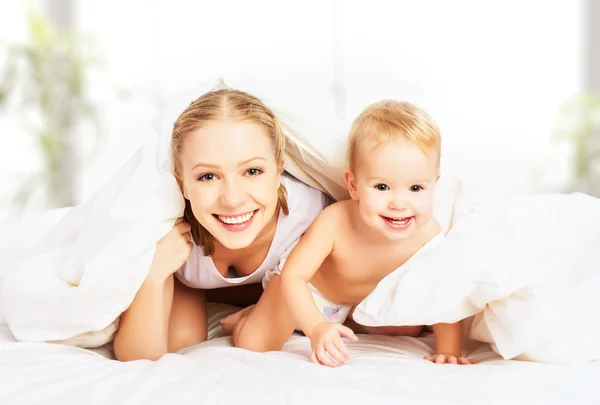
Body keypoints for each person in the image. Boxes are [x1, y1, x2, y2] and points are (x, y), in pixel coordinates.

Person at [113, 89, 330, 361]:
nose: (233, 199)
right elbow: (137, 357)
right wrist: (154, 275)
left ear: (279, 171)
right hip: (192, 284)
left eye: (252, 171)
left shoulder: (310, 215)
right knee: (183, 340)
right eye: (207, 176)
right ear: (183, 185)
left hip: (283, 278)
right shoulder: (172, 232)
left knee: (258, 337)